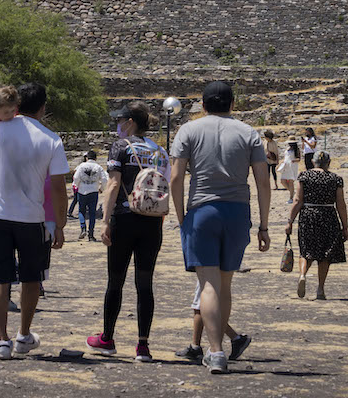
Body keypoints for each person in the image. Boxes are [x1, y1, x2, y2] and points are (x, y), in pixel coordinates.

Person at [169, 81, 271, 375]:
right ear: (232, 104)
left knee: (208, 284)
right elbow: (263, 182)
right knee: (225, 285)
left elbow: (176, 177)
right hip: (238, 212)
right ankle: (220, 348)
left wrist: (181, 216)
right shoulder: (248, 132)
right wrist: (263, 225)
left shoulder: (188, 130)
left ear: (203, 104)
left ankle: (215, 352)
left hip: (202, 211)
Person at [0, 83, 69, 360]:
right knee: (31, 278)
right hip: (32, 218)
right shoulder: (50, 139)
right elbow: (59, 186)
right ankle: (24, 334)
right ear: (43, 107)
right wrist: (59, 224)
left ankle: (2, 340)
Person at [87, 102, 167, 362]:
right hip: (151, 223)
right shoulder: (160, 151)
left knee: (116, 280)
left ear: (130, 121)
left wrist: (105, 220)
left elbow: (113, 184)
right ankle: (143, 346)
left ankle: (107, 338)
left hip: (124, 218)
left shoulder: (121, 147)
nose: (118, 125)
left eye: (120, 120)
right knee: (145, 284)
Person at [285, 151, 348, 300]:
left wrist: (290, 221)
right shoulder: (335, 179)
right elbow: (341, 204)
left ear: (313, 162)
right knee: (325, 254)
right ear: (329, 162)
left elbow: (297, 201)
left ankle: (302, 275)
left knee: (306, 250)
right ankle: (320, 289)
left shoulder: (304, 176)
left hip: (308, 215)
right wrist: (345, 226)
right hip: (328, 215)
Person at [175, 279, 251, 364]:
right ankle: (236, 338)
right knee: (206, 306)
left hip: (208, 272)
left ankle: (197, 348)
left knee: (201, 306)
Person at [72, 151, 107, 241]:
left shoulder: (82, 166)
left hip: (82, 191)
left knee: (81, 211)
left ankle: (83, 227)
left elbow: (76, 177)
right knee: (92, 213)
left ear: (87, 158)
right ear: (95, 158)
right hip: (93, 191)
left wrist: (77, 185)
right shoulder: (98, 167)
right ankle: (91, 234)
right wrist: (101, 189)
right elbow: (104, 179)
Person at [278, 139, 300, 204]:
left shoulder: (296, 150)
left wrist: (293, 161)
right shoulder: (287, 149)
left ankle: (291, 197)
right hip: (286, 166)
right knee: (282, 181)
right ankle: (292, 192)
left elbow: (298, 159)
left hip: (292, 166)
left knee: (291, 182)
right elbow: (285, 158)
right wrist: (280, 164)